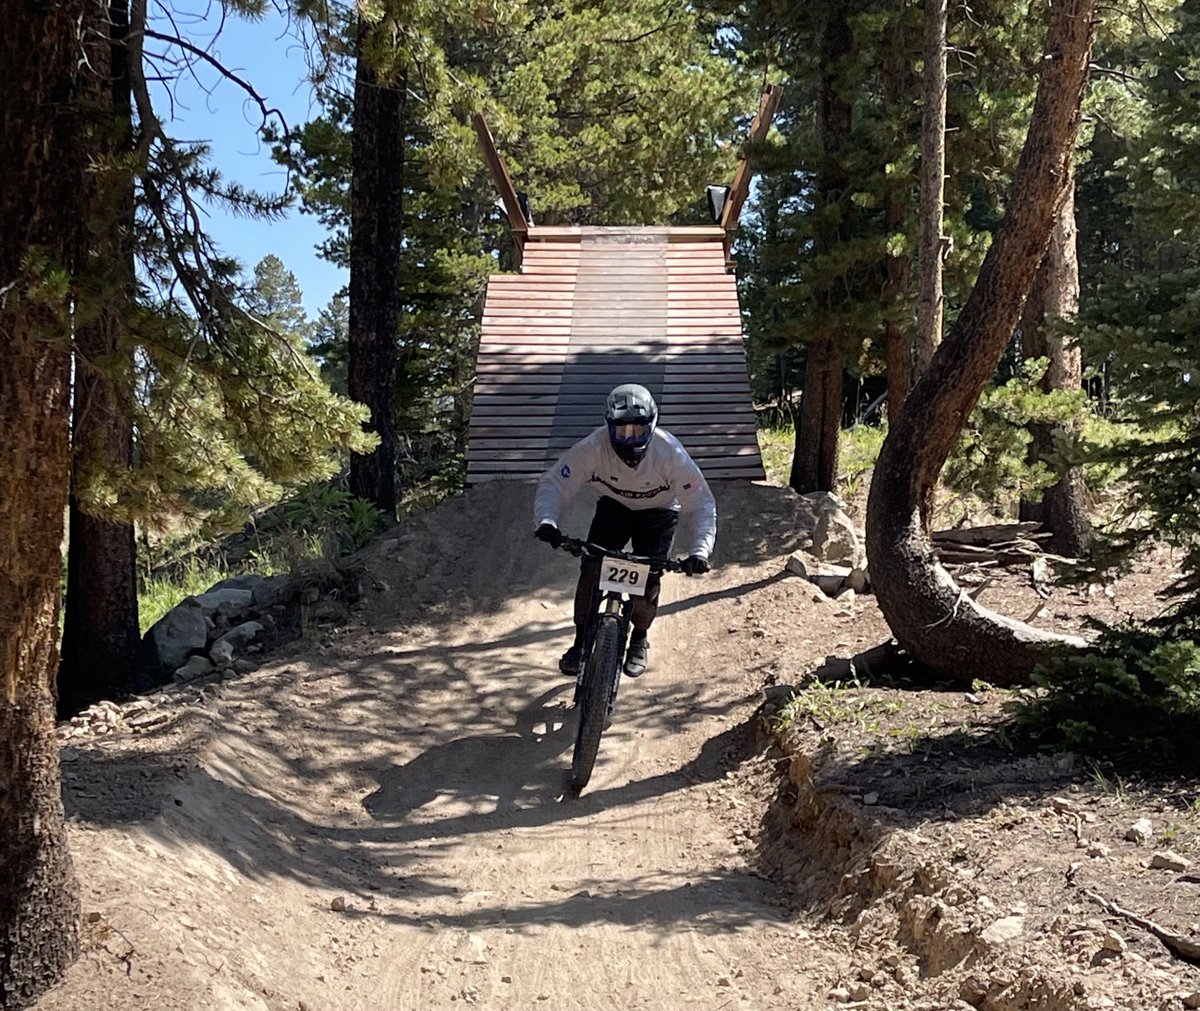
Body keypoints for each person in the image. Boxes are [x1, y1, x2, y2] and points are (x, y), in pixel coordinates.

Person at [532, 383, 716, 679]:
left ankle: (639, 639)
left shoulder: (670, 453)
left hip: (659, 513)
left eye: (639, 431)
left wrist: (700, 551)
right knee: (592, 569)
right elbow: (556, 483)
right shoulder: (592, 448)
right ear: (608, 427)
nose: (630, 440)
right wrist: (547, 521)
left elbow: (700, 503)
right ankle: (581, 641)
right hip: (614, 508)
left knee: (648, 580)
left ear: (652, 426)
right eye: (621, 432)